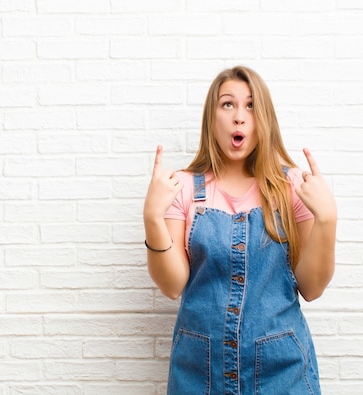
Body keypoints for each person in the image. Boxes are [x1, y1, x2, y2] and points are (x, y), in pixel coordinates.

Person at [143, 66, 336, 394]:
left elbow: (312, 287)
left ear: (265, 119)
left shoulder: (293, 188)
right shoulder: (184, 188)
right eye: (227, 104)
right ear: (211, 117)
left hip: (282, 372)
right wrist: (152, 218)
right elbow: (173, 285)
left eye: (250, 106)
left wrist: (327, 219)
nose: (239, 117)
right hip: (200, 373)